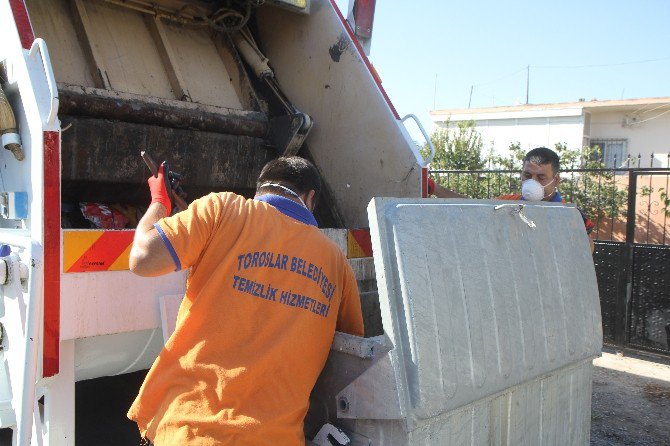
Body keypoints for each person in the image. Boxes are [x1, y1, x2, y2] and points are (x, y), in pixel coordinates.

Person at [127, 156, 364, 445]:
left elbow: (142, 259)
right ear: (309, 197)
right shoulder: (336, 262)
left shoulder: (222, 208)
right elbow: (351, 355)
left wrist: (159, 202)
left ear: (260, 188)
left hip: (190, 431)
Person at [427, 147, 594, 237]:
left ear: (555, 180)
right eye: (527, 175)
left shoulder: (569, 215)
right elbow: (473, 206)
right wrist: (435, 189)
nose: (532, 182)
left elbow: (586, 253)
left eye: (541, 177)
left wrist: (578, 230)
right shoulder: (508, 203)